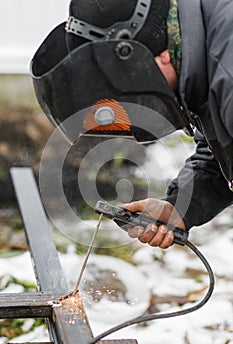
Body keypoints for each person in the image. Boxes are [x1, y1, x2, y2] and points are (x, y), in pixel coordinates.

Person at [31, 0, 233, 249]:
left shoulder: (227, 73)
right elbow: (221, 149)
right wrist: (180, 207)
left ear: (161, 58)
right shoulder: (206, 53)